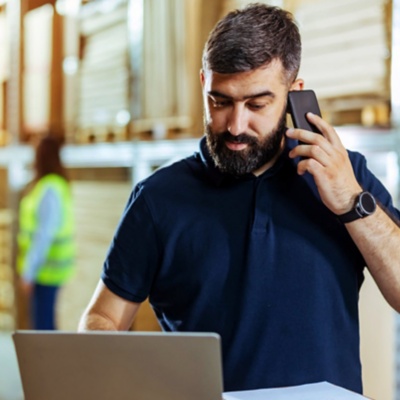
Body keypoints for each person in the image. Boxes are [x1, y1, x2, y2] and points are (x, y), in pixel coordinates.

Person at [78, 3, 400, 394]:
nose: (235, 125)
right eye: (220, 101)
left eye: (257, 104)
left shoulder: (345, 176)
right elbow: (103, 318)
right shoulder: (158, 198)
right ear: (203, 84)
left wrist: (351, 201)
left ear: (295, 94)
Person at [17, 135, 75, 330]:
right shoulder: (55, 184)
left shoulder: (49, 188)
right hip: (50, 269)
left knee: (43, 328)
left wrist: (28, 272)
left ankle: (49, 361)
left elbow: (44, 234)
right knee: (46, 325)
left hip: (46, 270)